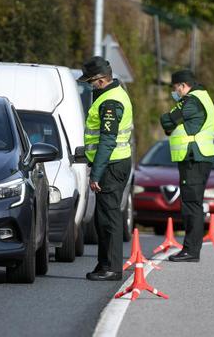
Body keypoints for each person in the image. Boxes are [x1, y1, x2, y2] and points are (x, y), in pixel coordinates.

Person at [79, 56, 134, 281]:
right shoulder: (111, 95)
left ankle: (111, 267)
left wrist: (97, 173)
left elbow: (108, 141)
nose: (90, 85)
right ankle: (104, 265)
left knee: (109, 218)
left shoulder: (110, 102)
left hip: (112, 165)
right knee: (103, 218)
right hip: (112, 162)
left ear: (101, 80)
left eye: (91, 82)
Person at [160, 69, 214, 263]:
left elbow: (167, 120)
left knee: (191, 204)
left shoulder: (191, 100)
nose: (175, 93)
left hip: (193, 156)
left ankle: (191, 250)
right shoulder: (203, 97)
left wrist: (169, 122)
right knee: (193, 203)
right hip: (197, 156)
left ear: (183, 86)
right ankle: (191, 249)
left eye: (176, 88)